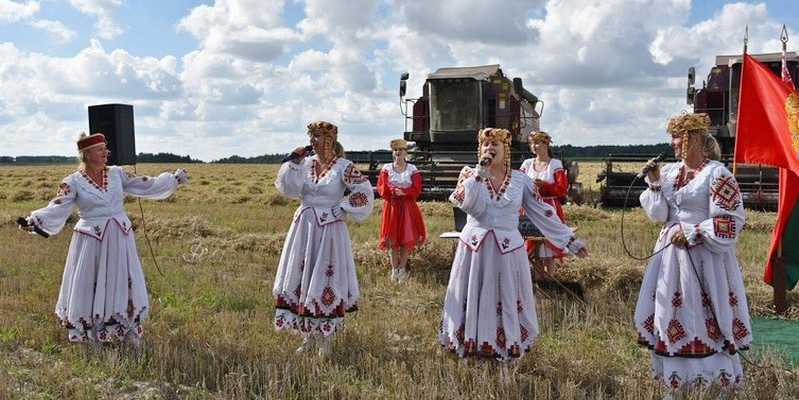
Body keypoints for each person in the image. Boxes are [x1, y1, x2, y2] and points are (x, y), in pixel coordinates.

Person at [19, 132, 188, 348]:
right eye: (100, 149)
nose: (106, 152)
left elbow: (145, 184)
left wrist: (172, 180)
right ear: (86, 155)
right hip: (92, 239)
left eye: (105, 148)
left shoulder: (117, 174)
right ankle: (93, 336)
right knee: (92, 282)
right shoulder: (72, 182)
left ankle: (127, 331)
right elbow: (57, 206)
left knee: (123, 280)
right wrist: (34, 220)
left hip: (120, 236)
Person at [439, 127, 588, 365]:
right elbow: (467, 206)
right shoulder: (469, 174)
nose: (489, 149)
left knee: (506, 296)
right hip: (475, 249)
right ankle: (471, 344)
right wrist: (480, 174)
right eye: (485, 145)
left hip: (507, 250)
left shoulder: (520, 180)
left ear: (505, 150)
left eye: (495, 145)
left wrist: (568, 241)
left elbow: (543, 212)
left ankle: (504, 344)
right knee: (472, 294)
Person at [634, 113, 751, 398]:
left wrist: (695, 231)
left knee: (702, 311)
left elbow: (731, 220)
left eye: (677, 137)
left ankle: (714, 381)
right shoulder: (671, 173)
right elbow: (658, 214)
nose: (672, 143)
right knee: (671, 312)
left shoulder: (717, 174)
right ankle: (676, 382)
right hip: (669, 257)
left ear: (694, 139)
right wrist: (653, 183)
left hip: (704, 256)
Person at [273, 120, 374, 357]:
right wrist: (293, 164)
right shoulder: (305, 165)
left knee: (325, 279)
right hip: (304, 228)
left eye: (317, 136)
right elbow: (287, 190)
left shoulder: (343, 166)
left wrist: (345, 206)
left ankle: (325, 339)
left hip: (329, 229)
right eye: (311, 136)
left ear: (328, 139)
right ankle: (308, 335)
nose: (312, 140)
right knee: (304, 276)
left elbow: (365, 191)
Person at [519, 131, 569, 279]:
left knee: (548, 247)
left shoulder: (555, 164)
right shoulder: (527, 164)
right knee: (533, 246)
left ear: (546, 144)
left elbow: (562, 190)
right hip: (530, 208)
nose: (534, 146)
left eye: (537, 143)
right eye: (531, 143)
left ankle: (550, 281)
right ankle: (538, 280)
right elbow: (517, 183)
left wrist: (545, 185)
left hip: (549, 208)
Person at [376, 138, 426, 282]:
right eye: (396, 150)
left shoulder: (412, 169)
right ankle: (394, 270)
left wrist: (404, 193)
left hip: (407, 206)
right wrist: (393, 191)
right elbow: (382, 187)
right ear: (393, 152)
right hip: (392, 206)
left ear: (406, 152)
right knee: (392, 239)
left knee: (406, 238)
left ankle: (402, 269)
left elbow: (416, 189)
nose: (398, 152)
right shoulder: (386, 168)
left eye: (401, 150)